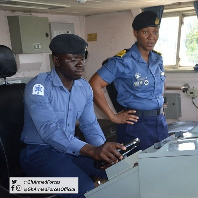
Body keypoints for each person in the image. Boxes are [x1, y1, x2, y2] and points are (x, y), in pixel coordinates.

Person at [20, 34, 125, 198]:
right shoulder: (38, 87)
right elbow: (49, 131)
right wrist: (91, 150)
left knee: (119, 172)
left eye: (82, 59)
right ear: (56, 60)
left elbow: (90, 125)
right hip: (39, 154)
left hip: (70, 150)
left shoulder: (84, 88)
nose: (80, 64)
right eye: (72, 59)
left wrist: (103, 151)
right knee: (86, 189)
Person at [89, 11, 169, 151]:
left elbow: (162, 83)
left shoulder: (158, 59)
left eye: (155, 32)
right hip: (136, 124)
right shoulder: (122, 61)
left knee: (162, 164)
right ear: (135, 33)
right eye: (146, 32)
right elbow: (94, 84)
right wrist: (112, 116)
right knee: (138, 168)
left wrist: (158, 104)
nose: (152, 37)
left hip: (159, 122)